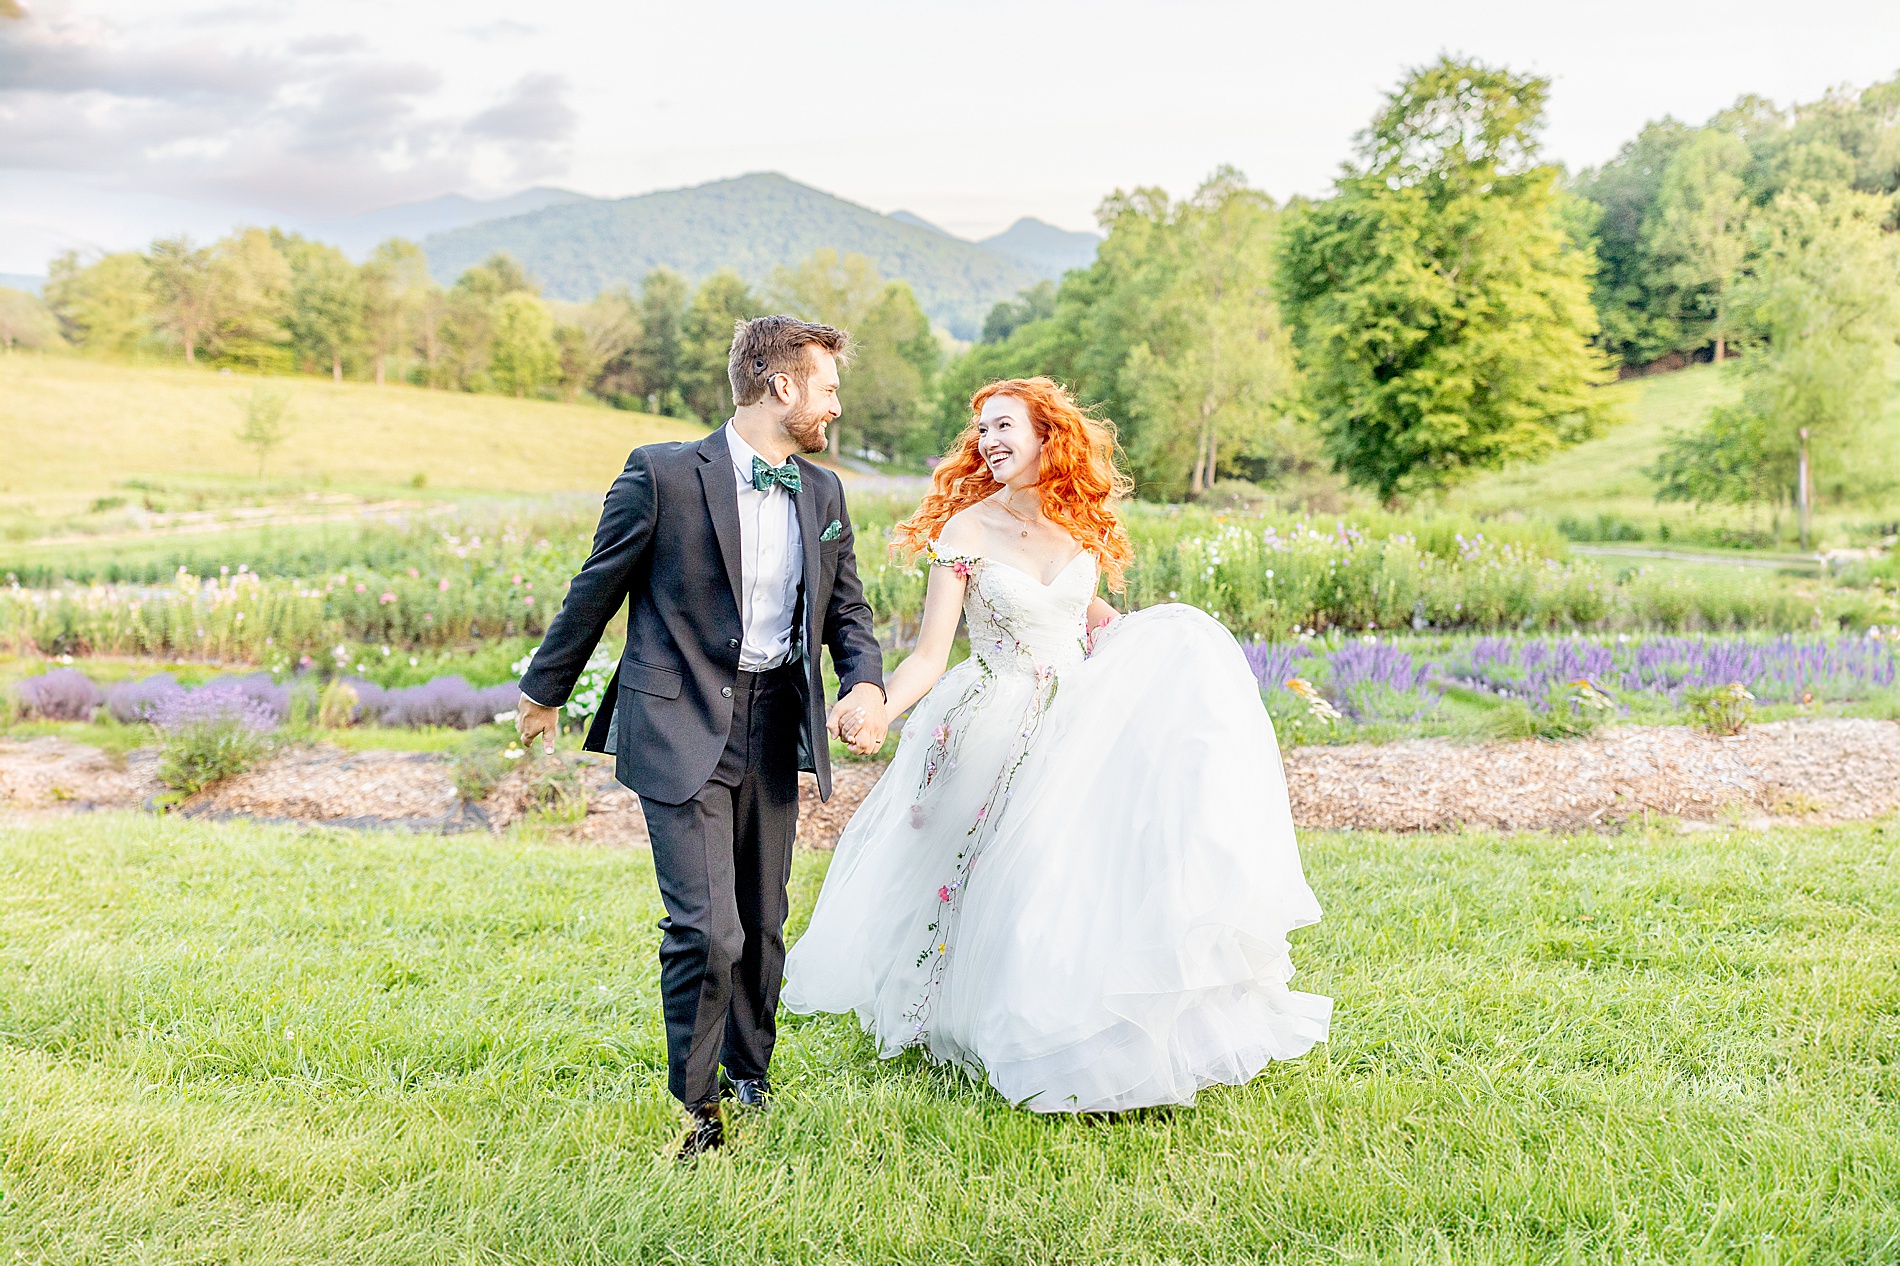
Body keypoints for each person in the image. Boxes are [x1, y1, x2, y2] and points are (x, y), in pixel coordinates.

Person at [783, 377, 1330, 1113]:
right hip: (994, 720)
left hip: (1080, 720)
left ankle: (1080, 1020)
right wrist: (879, 706)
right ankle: (985, 1016)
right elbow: (929, 654)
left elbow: (1092, 619)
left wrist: (1176, 647)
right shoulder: (966, 531)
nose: (988, 441)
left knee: (1075, 874)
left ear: (1049, 434)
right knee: (1002, 873)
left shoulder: (1078, 526)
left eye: (1004, 425)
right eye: (981, 430)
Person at [516, 315, 888, 1159]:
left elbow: (847, 611)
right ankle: (696, 1108)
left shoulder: (823, 495)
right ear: (780, 386)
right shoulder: (663, 474)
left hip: (773, 725)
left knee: (762, 920)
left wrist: (863, 680)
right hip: (679, 718)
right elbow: (597, 585)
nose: (836, 406)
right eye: (827, 388)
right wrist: (547, 690)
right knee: (706, 929)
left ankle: (752, 1072)